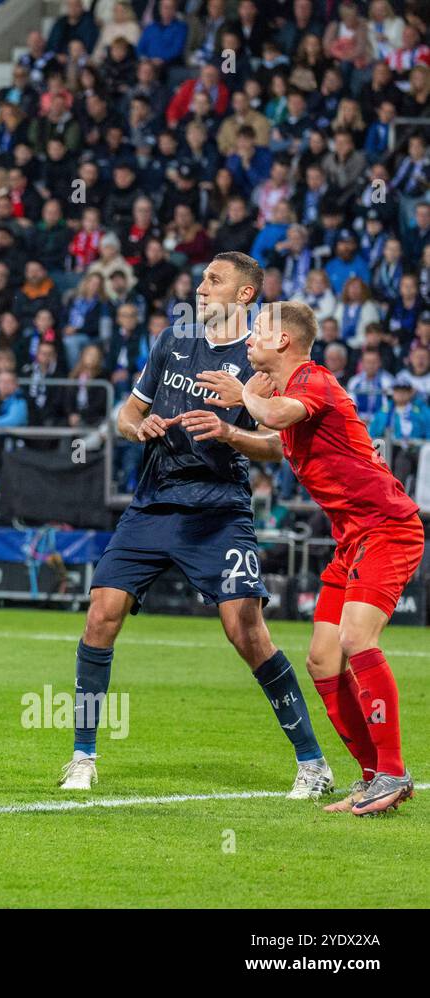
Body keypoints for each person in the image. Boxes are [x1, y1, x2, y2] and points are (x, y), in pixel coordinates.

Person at [58, 253, 332, 798]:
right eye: (202, 279)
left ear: (246, 295)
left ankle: (313, 762)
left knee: (246, 632)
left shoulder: (260, 359)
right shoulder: (170, 342)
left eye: (214, 280)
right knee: (100, 615)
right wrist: (140, 428)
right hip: (155, 501)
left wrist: (230, 434)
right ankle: (83, 757)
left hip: (219, 508)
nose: (201, 287)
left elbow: (279, 446)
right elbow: (126, 414)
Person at [200, 302, 425, 815]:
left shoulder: (312, 381)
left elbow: (277, 417)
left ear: (283, 341)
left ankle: (393, 770)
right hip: (352, 539)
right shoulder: (283, 390)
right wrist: (235, 427)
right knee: (323, 658)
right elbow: (280, 444)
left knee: (355, 639)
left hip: (387, 528)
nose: (248, 339)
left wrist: (245, 397)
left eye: (257, 331)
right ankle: (372, 779)